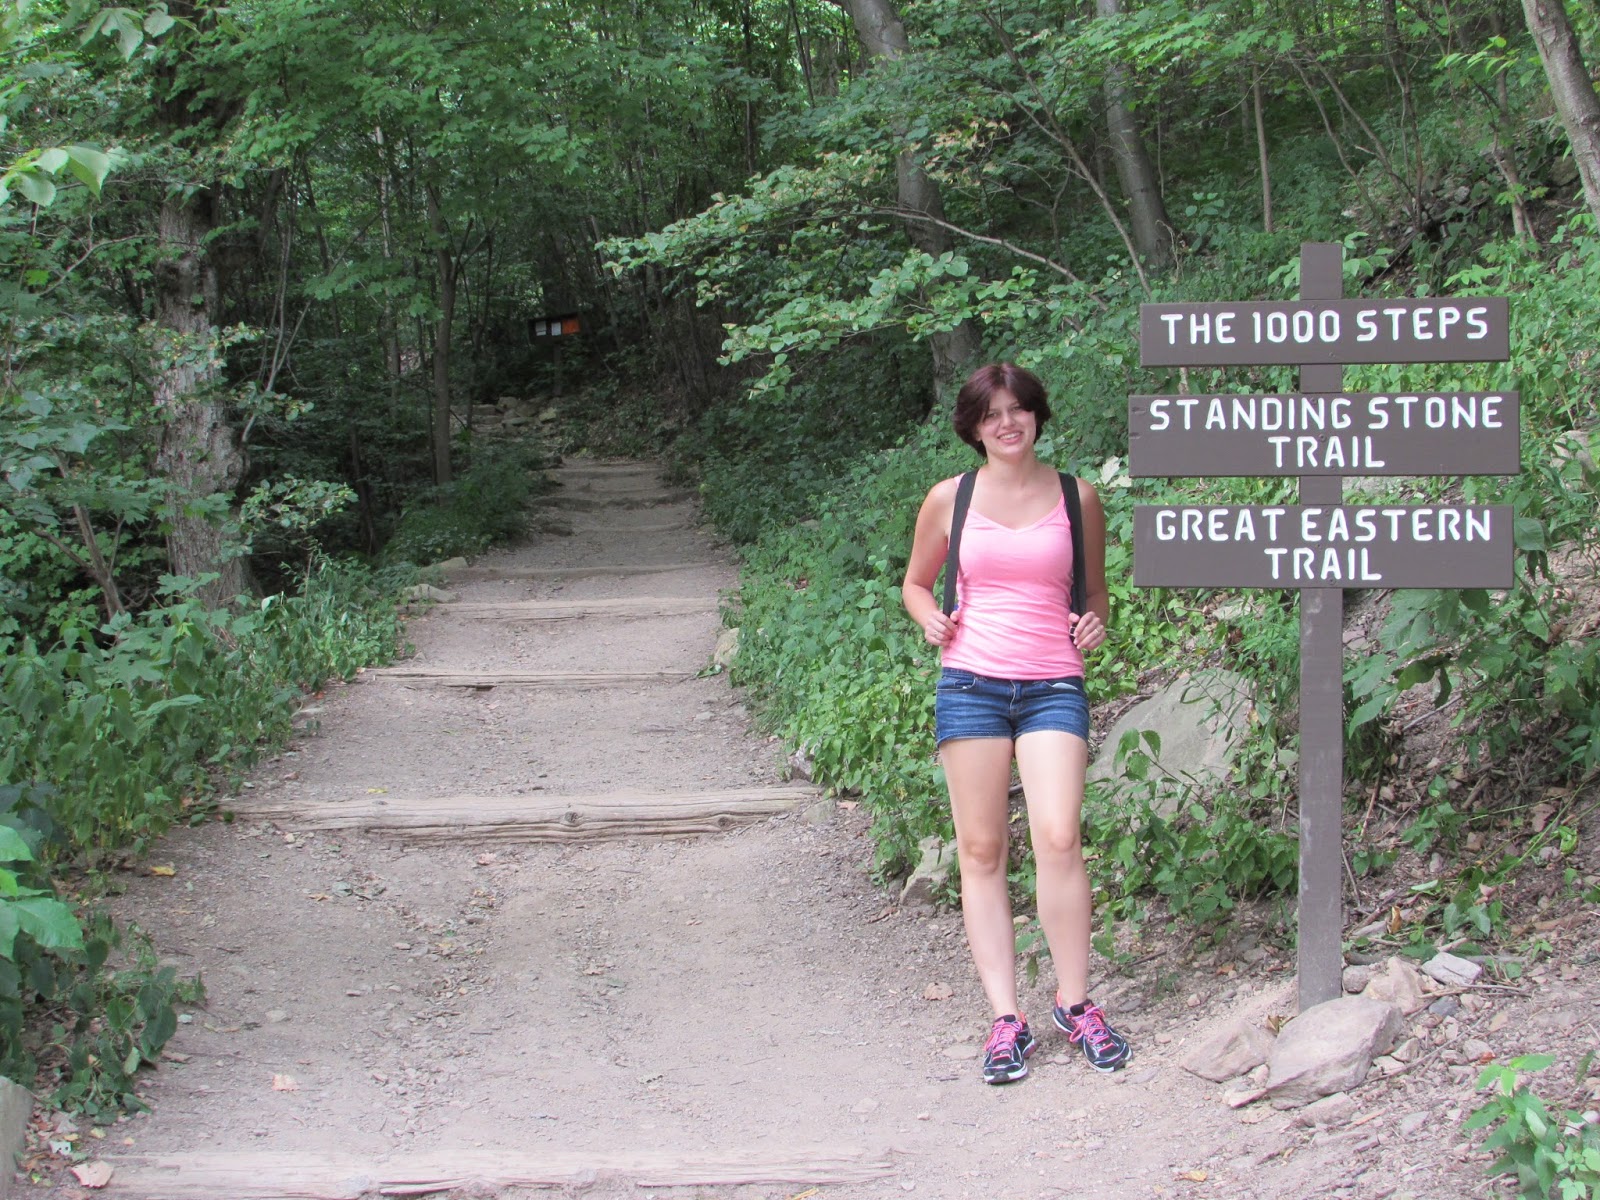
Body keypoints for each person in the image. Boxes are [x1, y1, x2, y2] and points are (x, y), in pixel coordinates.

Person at [901, 362, 1131, 1085]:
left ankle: (1075, 1002)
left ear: (1037, 416)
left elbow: (1094, 594)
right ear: (973, 427)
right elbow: (913, 582)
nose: (1008, 422)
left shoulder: (1077, 496)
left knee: (1060, 835)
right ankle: (1006, 1018)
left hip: (1052, 682)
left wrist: (1095, 624)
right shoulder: (951, 498)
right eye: (992, 413)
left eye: (1019, 409)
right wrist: (929, 616)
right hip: (969, 682)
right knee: (980, 849)